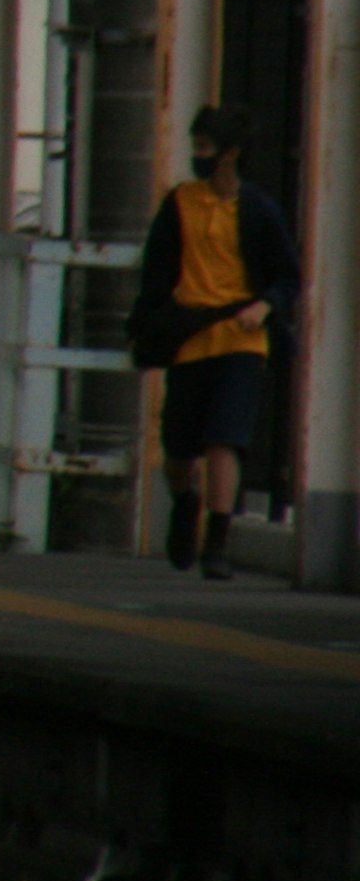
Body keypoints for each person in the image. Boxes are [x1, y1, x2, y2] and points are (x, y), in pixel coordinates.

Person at [134, 104, 302, 581]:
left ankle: (218, 542)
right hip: (190, 338)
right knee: (178, 452)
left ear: (230, 154)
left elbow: (287, 276)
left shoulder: (259, 212)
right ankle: (186, 501)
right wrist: (149, 326)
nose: (197, 156)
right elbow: (156, 274)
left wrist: (264, 306)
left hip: (241, 340)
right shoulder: (179, 205)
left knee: (225, 439)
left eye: (205, 148)